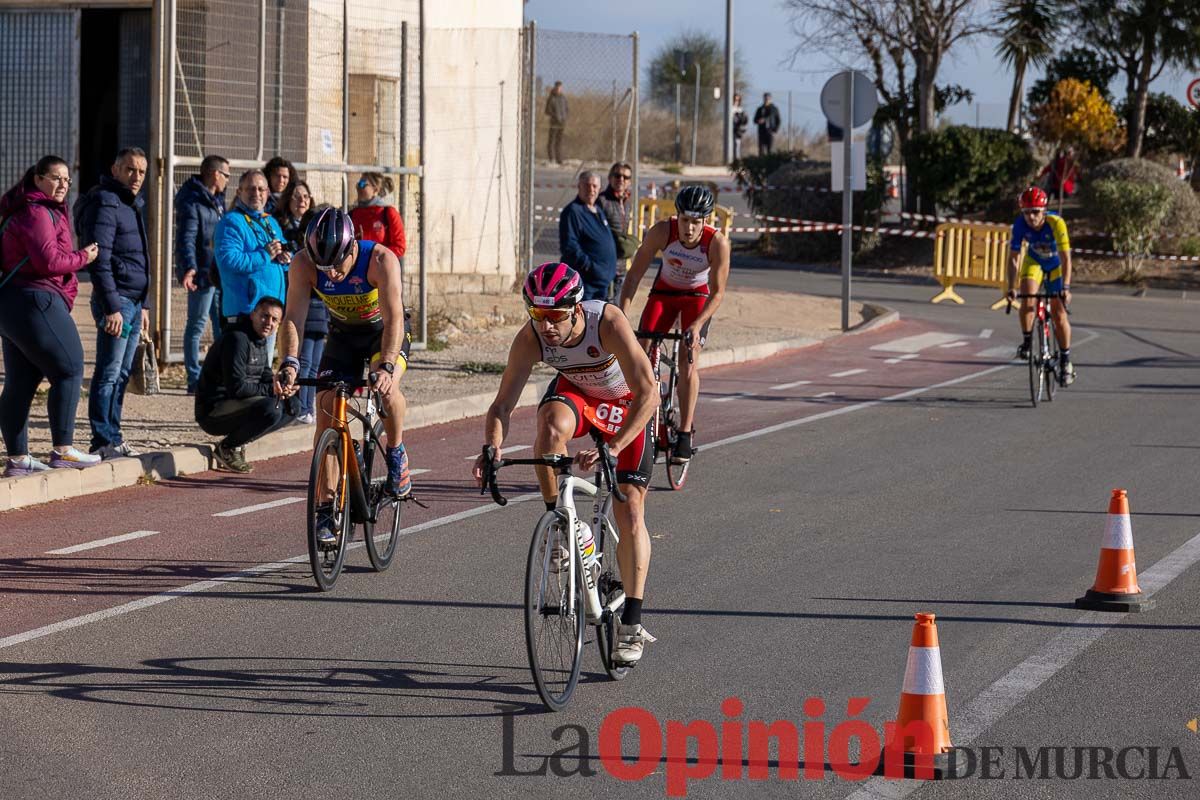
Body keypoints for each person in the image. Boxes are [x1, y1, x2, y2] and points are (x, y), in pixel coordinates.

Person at [473, 263, 658, 666]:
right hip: (582, 396)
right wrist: (491, 446)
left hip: (628, 408)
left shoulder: (606, 321)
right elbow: (502, 404)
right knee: (549, 426)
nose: (547, 326)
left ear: (575, 309)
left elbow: (649, 393)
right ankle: (562, 523)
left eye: (555, 316)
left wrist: (614, 444)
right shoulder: (532, 337)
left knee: (630, 508)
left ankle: (632, 622)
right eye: (537, 315)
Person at [277, 208, 413, 544]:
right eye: (325, 268)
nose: (333, 274)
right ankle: (326, 508)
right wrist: (289, 362)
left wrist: (387, 367)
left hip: (384, 334)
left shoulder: (381, 260)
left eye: (338, 264)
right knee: (325, 408)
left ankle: (395, 452)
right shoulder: (303, 264)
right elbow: (293, 317)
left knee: (386, 391)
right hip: (343, 336)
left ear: (353, 248)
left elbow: (395, 319)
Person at [0, 156, 102, 476]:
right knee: (70, 368)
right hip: (35, 298)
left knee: (22, 381)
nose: (62, 185)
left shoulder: (24, 209)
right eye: (55, 178)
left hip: (12, 303)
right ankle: (63, 450)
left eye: (67, 180)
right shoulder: (37, 211)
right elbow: (49, 261)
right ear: (38, 179)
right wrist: (83, 256)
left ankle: (18, 460)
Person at [619, 185, 730, 464]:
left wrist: (697, 325)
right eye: (684, 220)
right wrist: (621, 316)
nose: (689, 228)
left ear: (706, 221)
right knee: (639, 350)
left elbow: (717, 293)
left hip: (697, 298)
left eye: (696, 222)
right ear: (676, 217)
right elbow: (633, 278)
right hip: (664, 293)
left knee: (688, 360)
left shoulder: (717, 243)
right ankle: (638, 410)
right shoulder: (661, 232)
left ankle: (684, 432)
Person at [75, 147, 152, 460]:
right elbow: (100, 259)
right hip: (117, 301)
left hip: (133, 301)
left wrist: (144, 304)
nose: (136, 177)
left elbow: (139, 258)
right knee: (108, 372)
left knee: (121, 373)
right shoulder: (107, 202)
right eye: (130, 170)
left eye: (142, 172)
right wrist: (112, 307)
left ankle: (114, 435)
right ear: (116, 169)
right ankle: (102, 439)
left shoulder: (129, 203)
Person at [195, 297, 298, 473]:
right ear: (253, 315)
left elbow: (264, 374)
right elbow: (237, 388)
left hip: (240, 403)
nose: (269, 323)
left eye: (274, 320)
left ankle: (239, 441)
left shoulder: (260, 340)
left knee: (293, 406)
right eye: (264, 316)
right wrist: (272, 389)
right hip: (214, 410)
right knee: (271, 409)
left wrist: (282, 385)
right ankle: (227, 448)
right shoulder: (237, 339)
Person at [213, 169, 290, 360]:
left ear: (268, 193)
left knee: (262, 372)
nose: (257, 194)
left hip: (270, 313)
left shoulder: (270, 222)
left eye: (261, 189)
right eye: (251, 189)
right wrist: (264, 254)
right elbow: (228, 260)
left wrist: (286, 259)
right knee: (244, 374)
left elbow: (281, 252)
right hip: (246, 314)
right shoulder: (231, 222)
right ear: (239, 192)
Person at [1005, 186, 1075, 385]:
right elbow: (1013, 259)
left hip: (1056, 266)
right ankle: (1027, 342)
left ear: (1044, 211)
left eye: (1035, 212)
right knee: (1027, 300)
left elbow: (1066, 259)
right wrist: (1011, 287)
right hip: (1034, 262)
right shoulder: (1019, 225)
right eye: (1026, 212)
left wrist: (1066, 288)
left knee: (1059, 314)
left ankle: (1065, 360)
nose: (1031, 217)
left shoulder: (1056, 223)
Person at [175, 154, 229, 394]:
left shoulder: (216, 201)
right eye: (226, 175)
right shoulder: (193, 202)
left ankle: (218, 376)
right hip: (203, 274)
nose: (228, 180)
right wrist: (190, 267)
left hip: (218, 274)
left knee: (221, 328)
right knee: (196, 326)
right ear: (215, 174)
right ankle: (193, 379)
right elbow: (186, 238)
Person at [274, 190, 328, 424]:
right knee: (302, 362)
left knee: (315, 363)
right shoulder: (302, 254)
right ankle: (300, 408)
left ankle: (308, 407)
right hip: (307, 311)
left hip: (322, 312)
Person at [558, 171, 617, 302]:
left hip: (602, 284)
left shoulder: (597, 209)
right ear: (579, 186)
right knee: (583, 319)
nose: (591, 190)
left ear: (599, 188)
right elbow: (570, 247)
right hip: (586, 284)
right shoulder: (573, 212)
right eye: (587, 185)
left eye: (595, 186)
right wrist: (591, 267)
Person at [598, 162, 637, 300]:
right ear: (610, 178)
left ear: (629, 182)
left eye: (625, 177)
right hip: (605, 265)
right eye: (617, 175)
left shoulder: (626, 202)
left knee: (617, 305)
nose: (621, 179)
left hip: (621, 265)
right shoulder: (602, 200)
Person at [349, 173, 407, 259]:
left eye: (363, 184)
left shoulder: (387, 212)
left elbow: (400, 247)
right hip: (358, 269)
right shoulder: (353, 214)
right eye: (358, 184)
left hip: (381, 268)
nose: (359, 187)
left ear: (375, 190)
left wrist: (376, 256)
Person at [545, 81, 569, 164]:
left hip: (562, 123)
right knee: (551, 141)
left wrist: (565, 117)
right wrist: (555, 116)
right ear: (555, 88)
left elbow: (566, 109)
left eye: (560, 88)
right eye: (557, 87)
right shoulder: (551, 98)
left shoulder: (563, 98)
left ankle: (559, 159)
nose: (559, 89)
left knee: (559, 142)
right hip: (554, 123)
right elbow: (547, 111)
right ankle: (551, 158)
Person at [732, 94, 749, 161]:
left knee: (737, 144)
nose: (736, 101)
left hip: (737, 130)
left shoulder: (740, 109)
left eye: (738, 100)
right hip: (730, 129)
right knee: (731, 145)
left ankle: (736, 160)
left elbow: (744, 120)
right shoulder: (730, 108)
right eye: (735, 100)